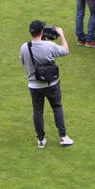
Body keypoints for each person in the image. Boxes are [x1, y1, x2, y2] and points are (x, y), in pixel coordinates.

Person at [19, 21, 74, 149]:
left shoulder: (24, 47)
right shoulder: (49, 45)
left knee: (38, 111)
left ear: (30, 31)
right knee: (57, 107)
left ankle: (41, 139)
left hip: (34, 86)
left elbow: (22, 61)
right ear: (42, 32)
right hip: (51, 84)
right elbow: (65, 50)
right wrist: (62, 35)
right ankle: (63, 136)